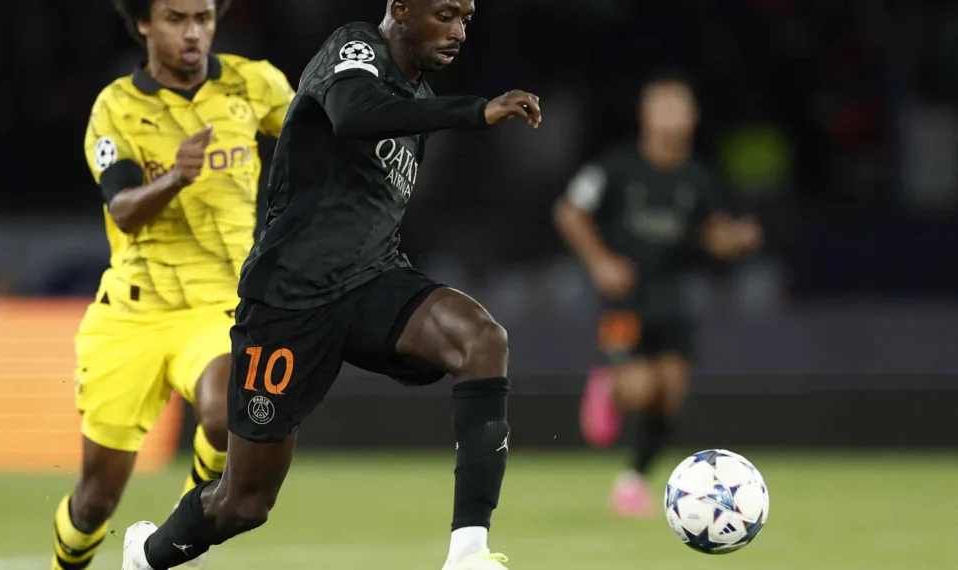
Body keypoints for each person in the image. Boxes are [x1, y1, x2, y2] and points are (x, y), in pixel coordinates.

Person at [120, 1, 543, 569]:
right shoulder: (355, 49)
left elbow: (370, 211)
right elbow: (351, 113)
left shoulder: (418, 104)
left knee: (481, 338)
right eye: (445, 14)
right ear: (401, 8)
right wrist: (473, 111)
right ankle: (146, 556)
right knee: (243, 503)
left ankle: (468, 553)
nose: (459, 32)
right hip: (289, 297)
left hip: (373, 282)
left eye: (466, 18)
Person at [53, 0, 294, 568]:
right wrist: (178, 178)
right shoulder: (117, 106)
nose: (194, 32)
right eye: (176, 19)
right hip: (132, 313)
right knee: (94, 500)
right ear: (143, 23)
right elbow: (123, 209)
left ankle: (195, 520)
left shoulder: (251, 83)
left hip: (218, 305)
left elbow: (324, 130)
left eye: (204, 18)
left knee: (226, 407)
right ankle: (70, 560)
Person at [552, 71, 762, 518]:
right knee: (641, 387)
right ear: (645, 115)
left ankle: (632, 481)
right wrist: (600, 263)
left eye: (678, 108)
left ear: (692, 117)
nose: (670, 117)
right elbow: (570, 210)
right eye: (661, 107)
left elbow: (712, 234)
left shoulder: (698, 176)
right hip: (624, 298)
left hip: (671, 295)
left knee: (671, 393)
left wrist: (736, 238)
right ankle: (609, 387)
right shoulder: (616, 167)